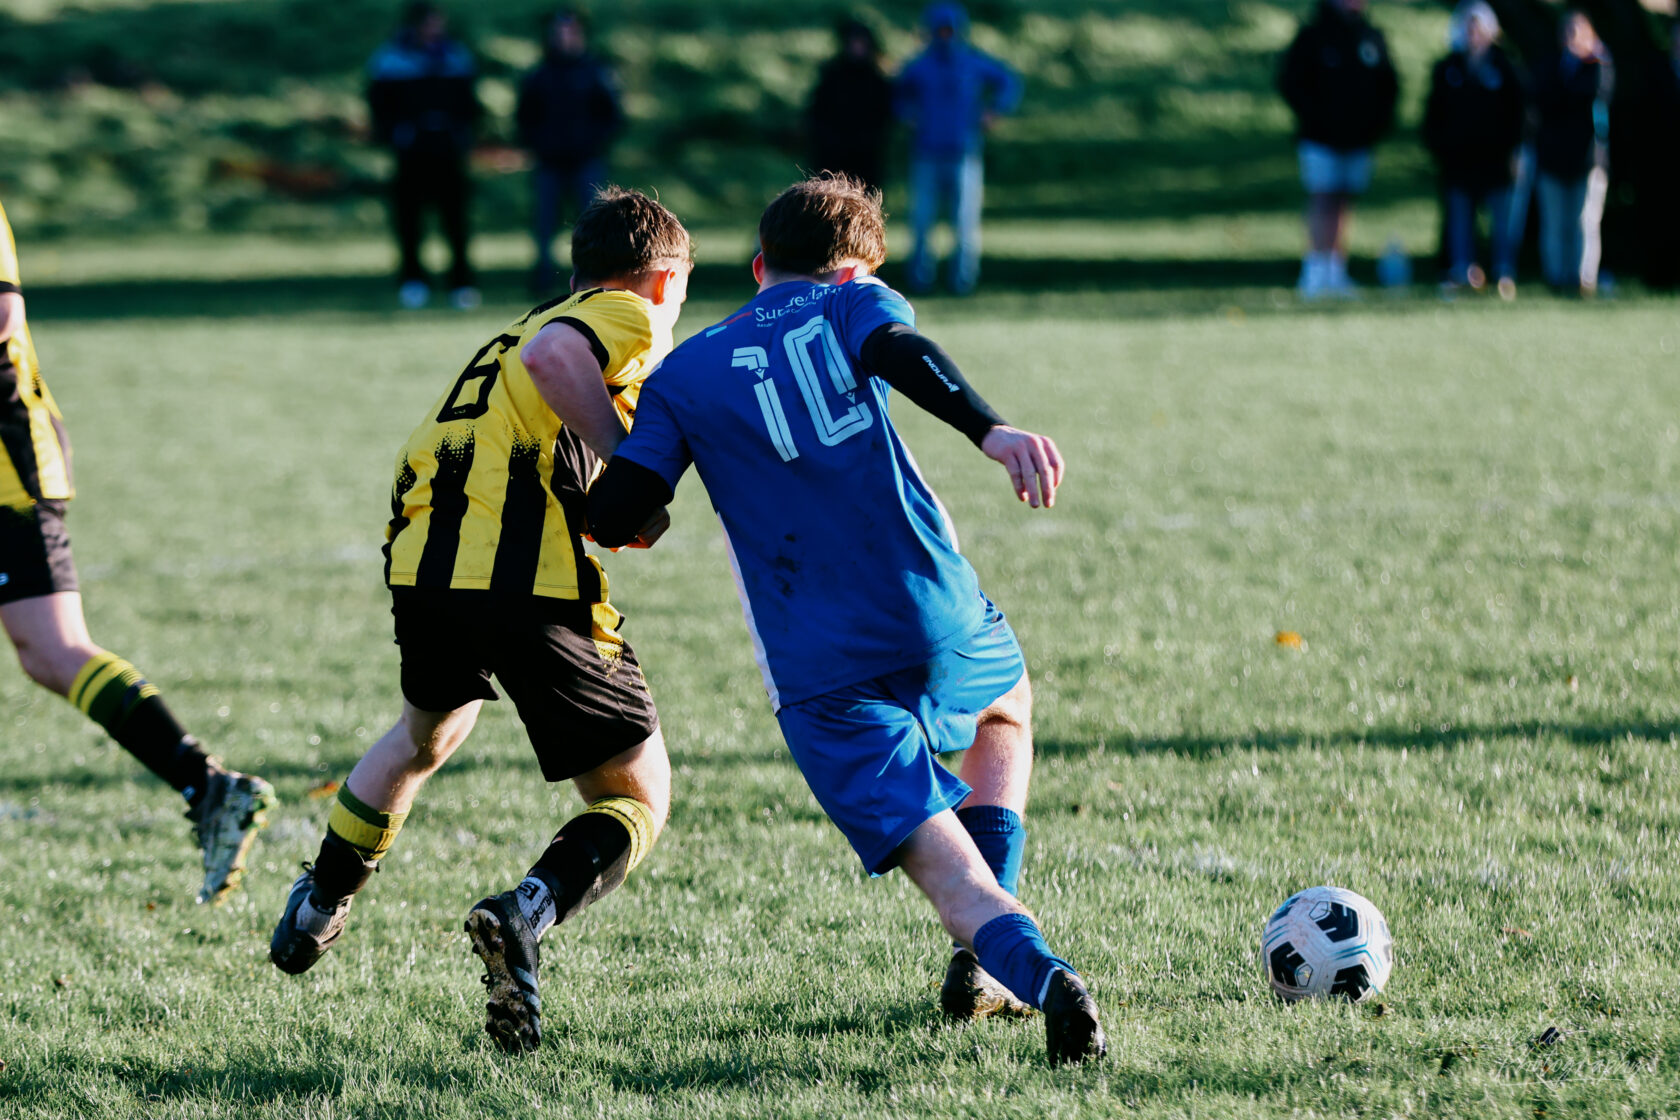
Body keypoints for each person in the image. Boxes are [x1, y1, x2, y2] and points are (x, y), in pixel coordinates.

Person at [586, 175, 1104, 1066]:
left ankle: (1043, 973)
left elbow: (619, 512)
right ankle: (982, 973)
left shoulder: (684, 373)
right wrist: (993, 432)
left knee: (951, 878)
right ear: (857, 267)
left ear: (758, 267)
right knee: (1006, 708)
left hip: (819, 662)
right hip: (932, 606)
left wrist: (613, 485)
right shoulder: (853, 302)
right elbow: (903, 350)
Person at [268, 189, 693, 1057]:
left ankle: (319, 903)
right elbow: (558, 362)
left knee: (425, 736)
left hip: (424, 560)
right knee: (638, 794)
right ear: (660, 277)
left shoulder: (516, 324)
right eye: (683, 287)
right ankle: (522, 913)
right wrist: (631, 471)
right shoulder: (623, 313)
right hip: (520, 575)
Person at [0, 198, 273, 905]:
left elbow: (1, 321)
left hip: (6, 465)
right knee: (47, 651)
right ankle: (209, 788)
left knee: (54, 648)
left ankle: (208, 786)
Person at [894, 3, 1022, 295]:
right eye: (939, 29)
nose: (944, 35)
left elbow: (1009, 82)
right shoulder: (919, 65)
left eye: (949, 29)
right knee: (922, 220)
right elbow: (897, 95)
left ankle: (962, 281)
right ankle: (920, 280)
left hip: (964, 153)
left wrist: (995, 111)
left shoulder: (973, 62)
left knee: (965, 221)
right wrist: (906, 115)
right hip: (926, 153)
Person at [1277, 0, 1399, 298]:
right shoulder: (1313, 36)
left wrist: (1375, 124)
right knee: (1322, 196)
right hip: (1320, 137)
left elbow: (1388, 86)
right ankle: (1315, 270)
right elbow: (1291, 83)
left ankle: (1335, 269)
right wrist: (1317, 117)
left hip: (1358, 138)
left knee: (1343, 201)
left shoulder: (1370, 36)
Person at [367, 1, 481, 311]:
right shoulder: (391, 60)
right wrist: (399, 135)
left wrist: (460, 134)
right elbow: (379, 108)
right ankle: (413, 281)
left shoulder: (456, 57)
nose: (433, 30)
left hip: (448, 153)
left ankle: (461, 282)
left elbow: (470, 106)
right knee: (410, 222)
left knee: (455, 221)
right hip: (411, 155)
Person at [1422, 1, 1527, 297]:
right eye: (1469, 27)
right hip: (1459, 161)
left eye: (1479, 27)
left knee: (1501, 222)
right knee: (1459, 220)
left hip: (1495, 160)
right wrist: (1440, 148)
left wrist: (1515, 151)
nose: (1474, 34)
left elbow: (1519, 113)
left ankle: (1503, 272)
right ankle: (1462, 271)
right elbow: (1434, 114)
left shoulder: (1505, 67)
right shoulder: (1448, 68)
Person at [517, 8, 625, 295]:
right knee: (544, 222)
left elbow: (612, 115)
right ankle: (542, 277)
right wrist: (539, 144)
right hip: (549, 161)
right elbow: (525, 117)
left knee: (593, 224)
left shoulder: (596, 72)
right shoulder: (539, 74)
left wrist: (594, 142)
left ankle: (595, 278)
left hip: (586, 159)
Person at [1535, 10, 1613, 295]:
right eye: (1568, 31)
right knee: (1555, 223)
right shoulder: (1551, 66)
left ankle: (1584, 280)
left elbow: (1595, 94)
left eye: (1578, 31)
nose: (1572, 38)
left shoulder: (1598, 65)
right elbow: (1544, 99)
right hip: (1553, 158)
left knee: (1585, 221)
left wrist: (1597, 58)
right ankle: (1557, 278)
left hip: (1587, 159)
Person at [808, 18, 895, 192]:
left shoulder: (876, 80)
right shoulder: (832, 75)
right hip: (832, 155)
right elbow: (818, 111)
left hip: (865, 157)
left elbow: (884, 116)